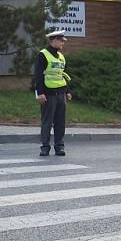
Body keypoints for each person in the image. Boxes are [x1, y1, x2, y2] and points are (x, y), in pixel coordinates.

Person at [34, 29, 72, 157]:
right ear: (53, 40)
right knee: (47, 122)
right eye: (61, 40)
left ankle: (59, 147)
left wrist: (68, 91)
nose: (63, 43)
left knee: (60, 122)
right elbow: (38, 75)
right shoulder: (43, 55)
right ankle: (45, 147)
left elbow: (63, 75)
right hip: (48, 94)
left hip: (61, 93)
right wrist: (40, 93)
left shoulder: (61, 56)